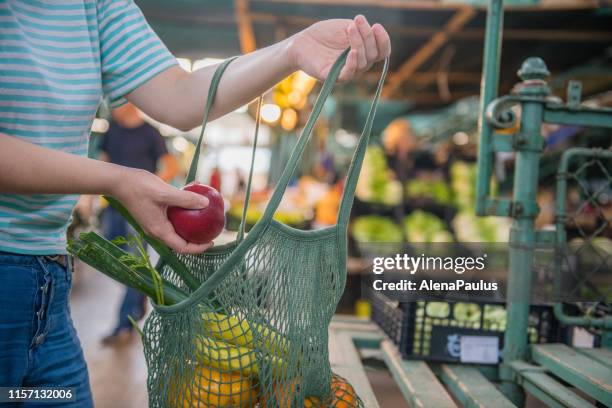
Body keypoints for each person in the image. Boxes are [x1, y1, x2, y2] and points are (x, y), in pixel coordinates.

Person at [0, 1, 391, 405]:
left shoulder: (92, 5)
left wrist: (293, 50)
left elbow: (180, 95)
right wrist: (116, 181)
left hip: (49, 281)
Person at [99, 102, 178, 345]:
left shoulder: (151, 133)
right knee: (109, 258)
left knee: (131, 266)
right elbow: (102, 162)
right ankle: (141, 290)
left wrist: (148, 186)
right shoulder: (111, 130)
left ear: (130, 102)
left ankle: (123, 323)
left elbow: (173, 166)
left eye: (116, 101)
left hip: (138, 211)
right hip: (111, 207)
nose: (112, 107)